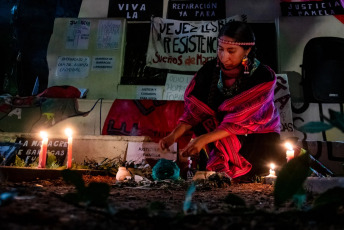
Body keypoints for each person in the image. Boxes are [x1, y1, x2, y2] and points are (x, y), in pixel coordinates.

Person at [159, 21, 286, 181]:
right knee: (204, 122)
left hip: (257, 143)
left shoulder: (262, 76)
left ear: (247, 50)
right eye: (221, 49)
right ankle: (218, 167)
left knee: (254, 170)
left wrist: (203, 139)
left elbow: (239, 122)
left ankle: (235, 170)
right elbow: (194, 112)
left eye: (231, 50)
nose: (224, 56)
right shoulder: (209, 70)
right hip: (218, 136)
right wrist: (172, 136)